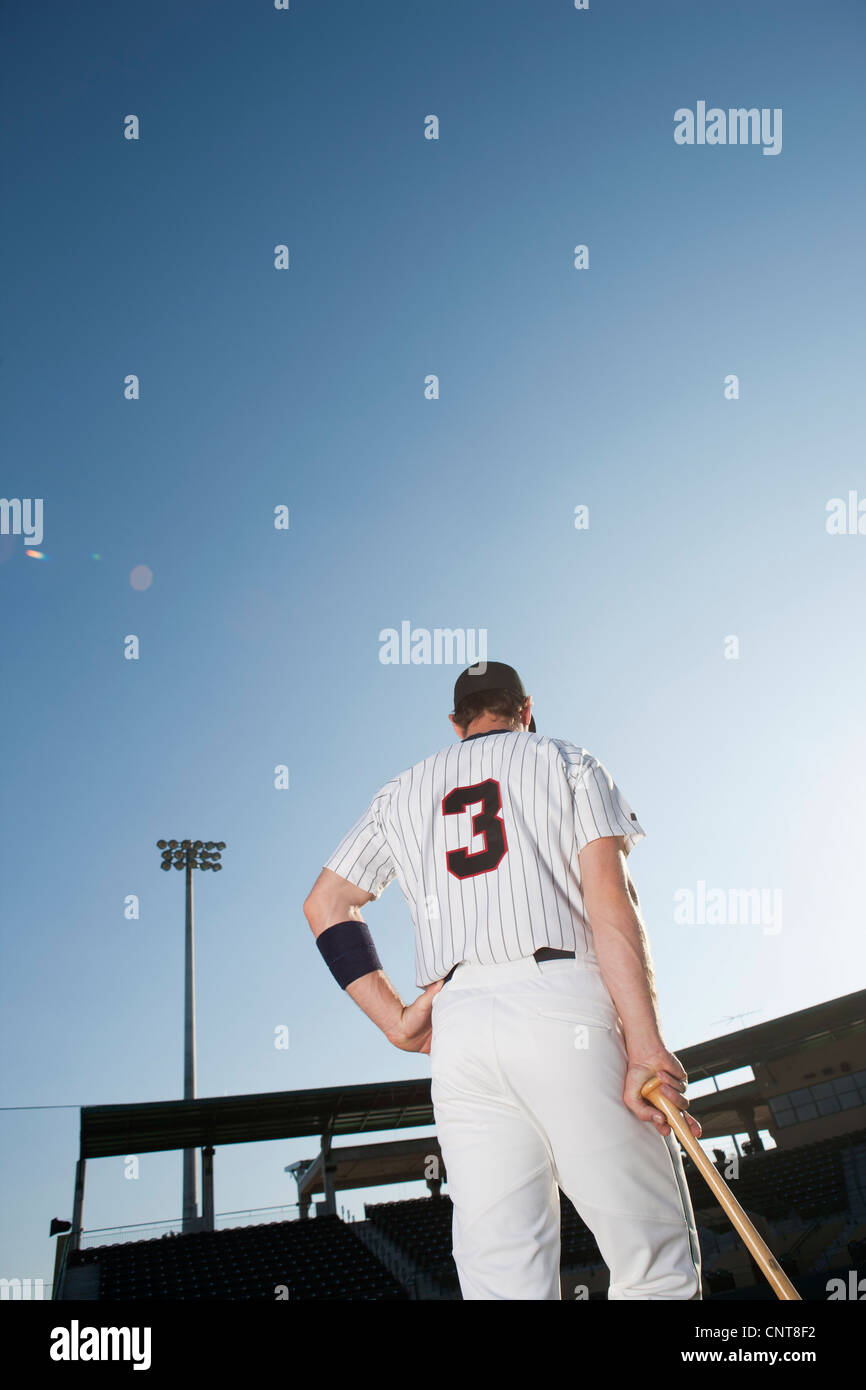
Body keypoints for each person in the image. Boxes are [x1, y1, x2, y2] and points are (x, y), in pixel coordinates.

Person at [303, 661, 702, 1300]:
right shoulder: (565, 759)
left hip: (457, 1028)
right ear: (526, 708)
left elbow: (325, 905)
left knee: (503, 1284)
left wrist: (394, 1020)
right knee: (653, 1265)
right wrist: (647, 1045)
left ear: (456, 722)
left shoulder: (400, 792)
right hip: (561, 1002)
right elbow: (610, 903)